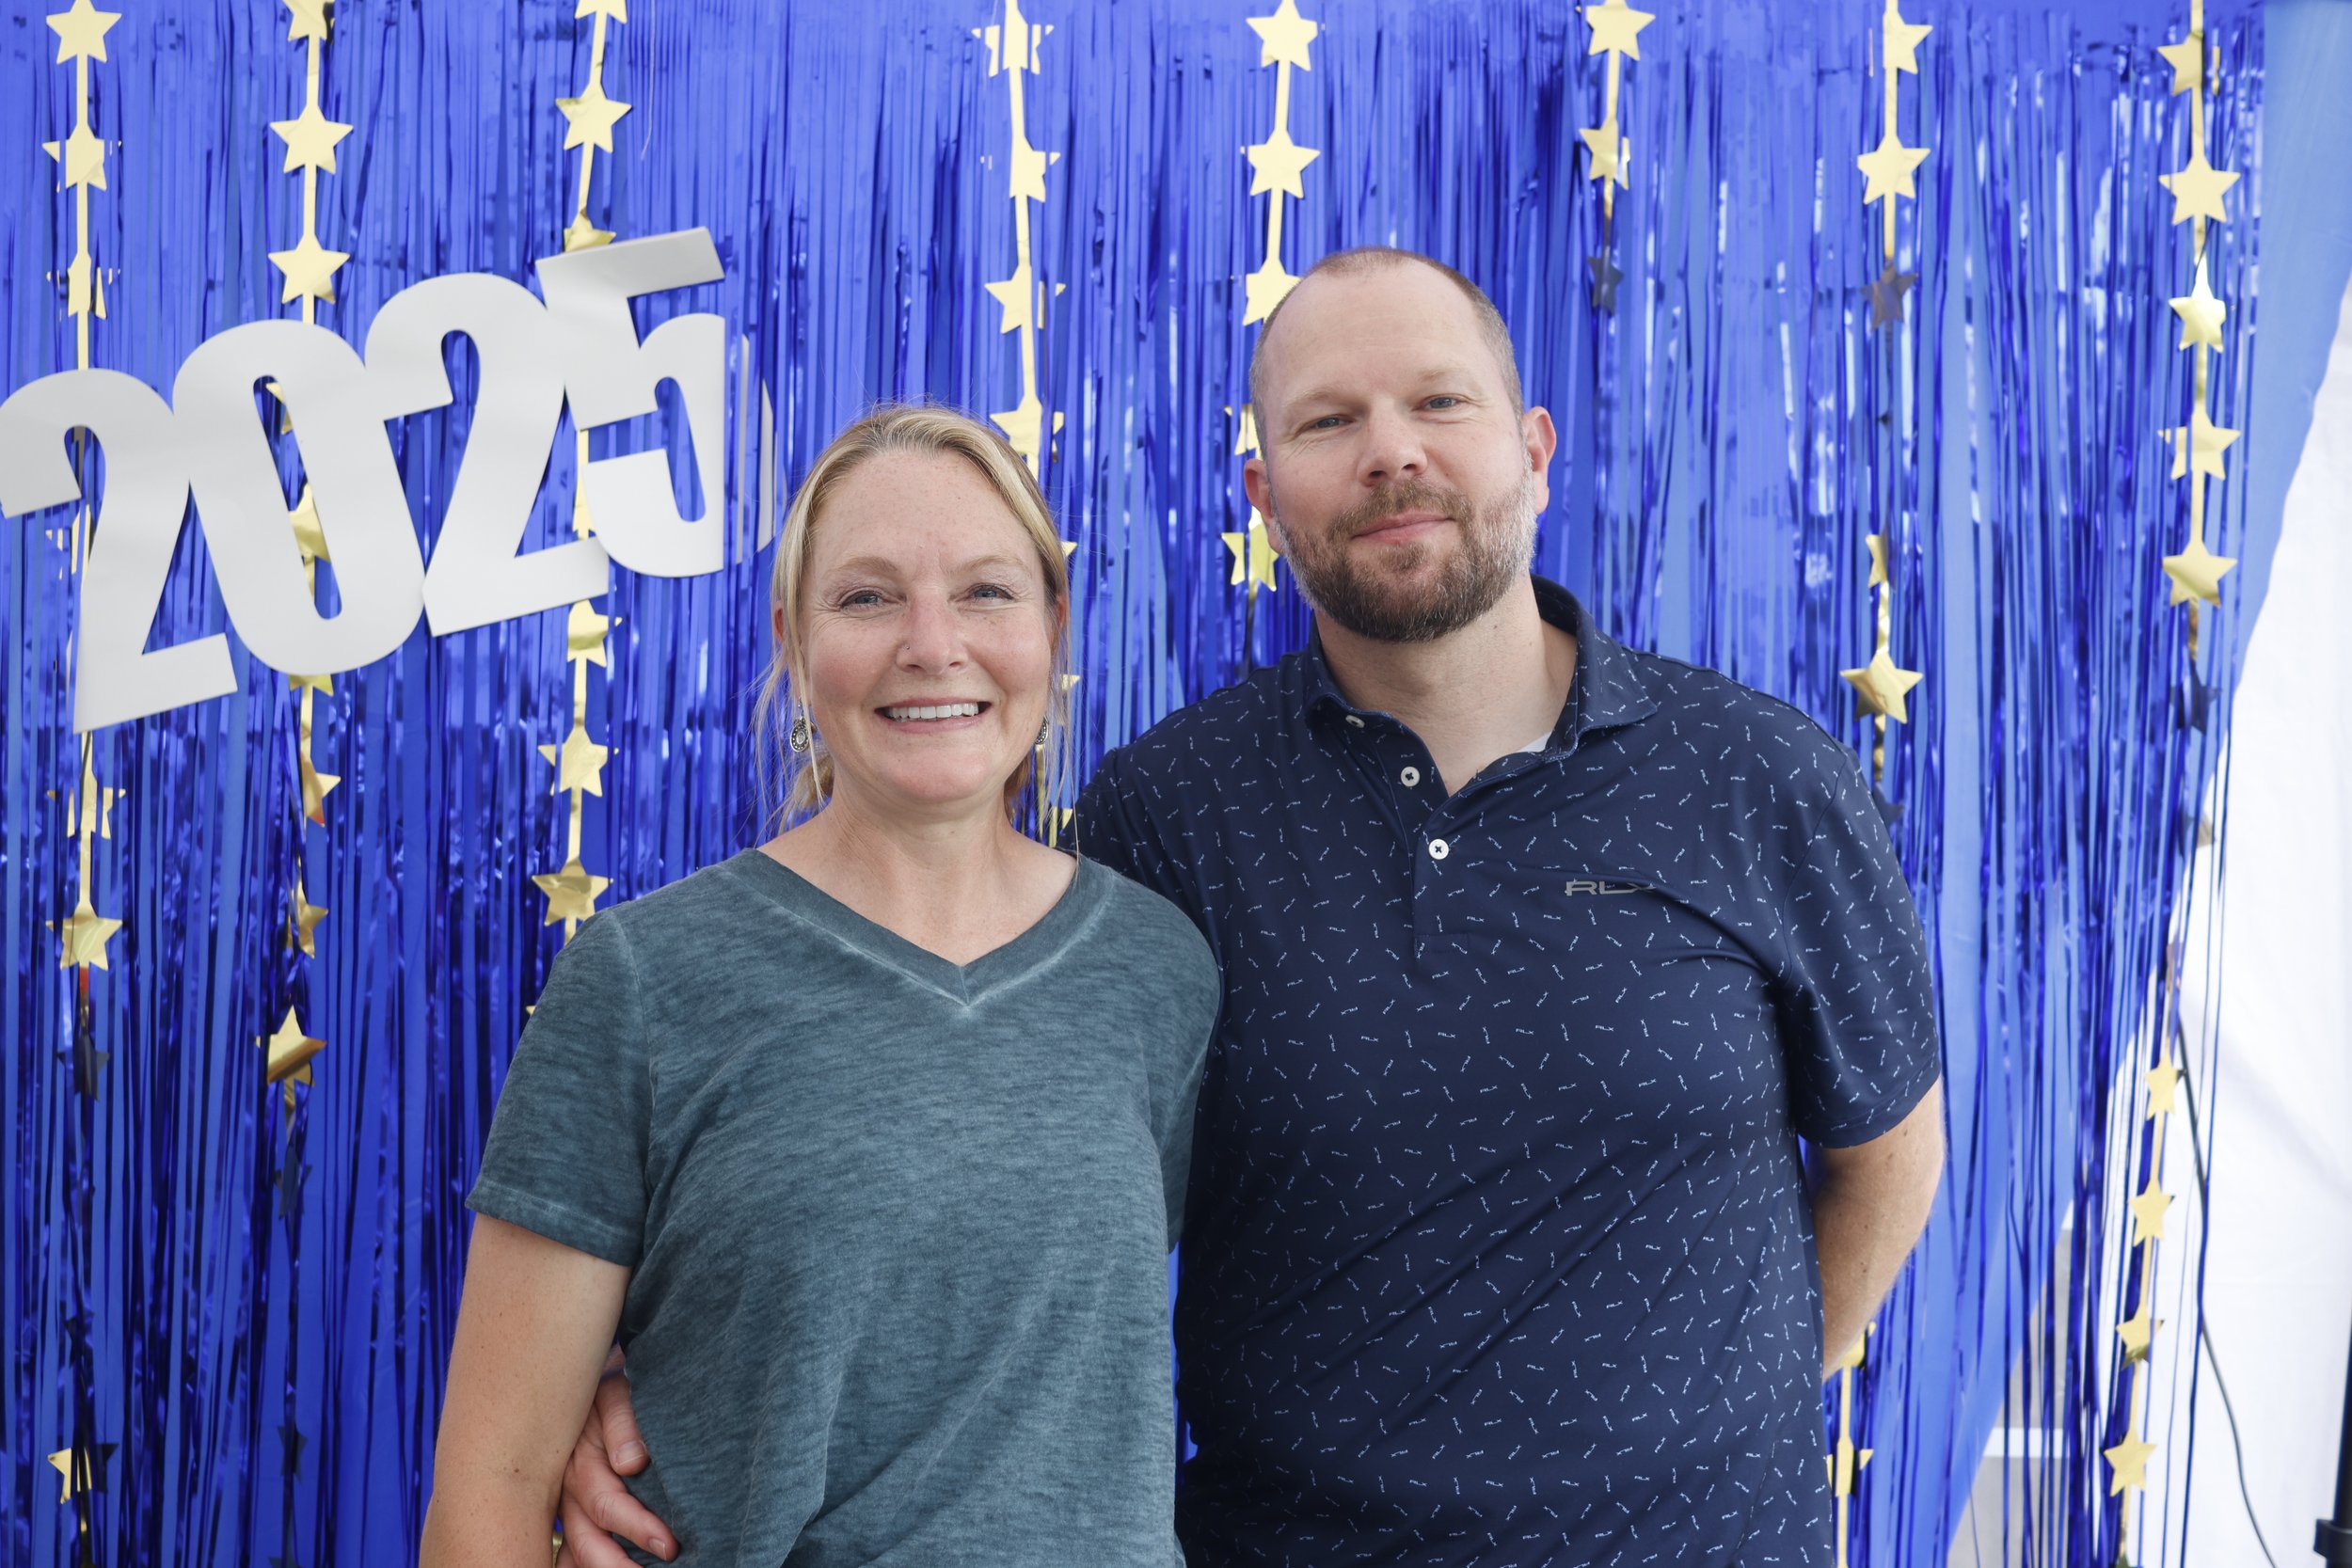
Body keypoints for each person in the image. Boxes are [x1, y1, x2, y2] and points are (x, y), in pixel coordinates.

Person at [554, 250, 1946, 1566]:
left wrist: (1702, 1434)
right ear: (1263, 490)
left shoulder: (1759, 775)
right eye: (1329, 419)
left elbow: (1888, 1152)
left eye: (1438, 401)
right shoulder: (1169, 814)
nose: (1392, 449)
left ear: (1531, 443)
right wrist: (687, 1373)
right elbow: (986, 1160)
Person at [420, 404, 1219, 1567]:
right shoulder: (647, 978)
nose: (932, 643)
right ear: (795, 642)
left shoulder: (1155, 969)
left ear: (1053, 624)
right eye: (867, 596)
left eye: (987, 592)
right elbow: (490, 1484)